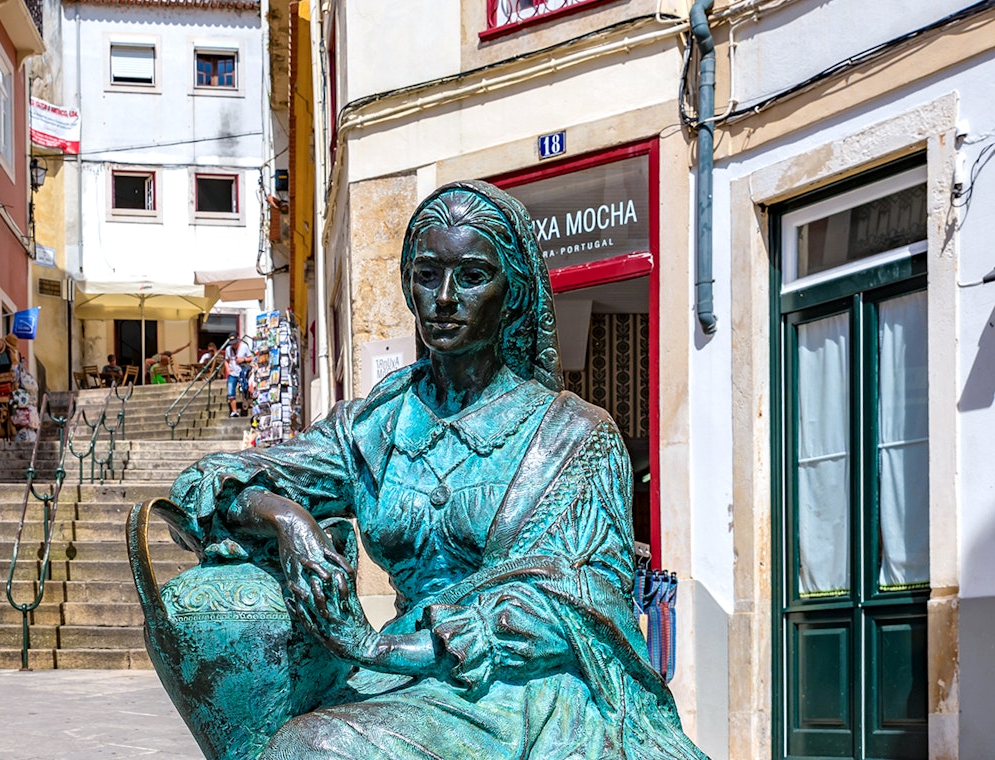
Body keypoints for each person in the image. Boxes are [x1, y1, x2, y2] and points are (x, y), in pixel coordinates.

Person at [144, 181, 707, 758]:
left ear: (512, 292)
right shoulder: (374, 426)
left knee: (313, 748)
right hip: (396, 676)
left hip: (518, 690)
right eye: (426, 273)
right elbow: (206, 484)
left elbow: (585, 597)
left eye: (471, 276)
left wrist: (414, 644)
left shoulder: (574, 436)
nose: (443, 297)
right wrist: (289, 521)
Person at [224, 334, 252, 416]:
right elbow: (226, 360)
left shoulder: (244, 347)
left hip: (242, 371)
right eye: (232, 343)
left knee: (245, 388)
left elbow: (251, 358)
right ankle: (234, 411)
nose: (233, 345)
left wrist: (243, 359)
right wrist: (228, 370)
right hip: (232, 373)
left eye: (235, 343)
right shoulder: (228, 349)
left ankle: (247, 404)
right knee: (230, 391)